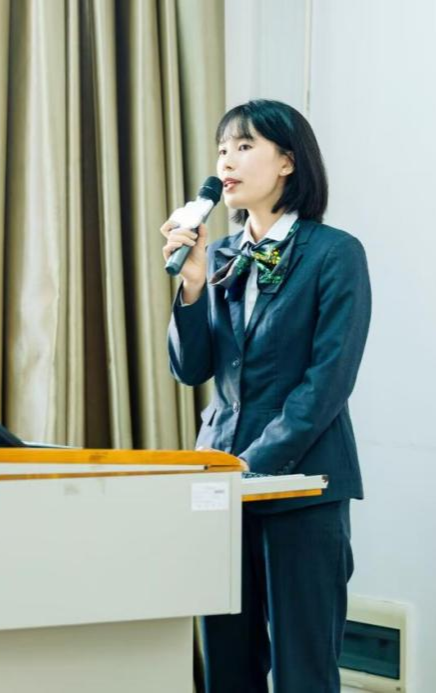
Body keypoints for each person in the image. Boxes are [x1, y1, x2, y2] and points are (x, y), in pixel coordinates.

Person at [161, 99, 372, 692]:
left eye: (245, 146)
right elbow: (191, 368)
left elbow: (327, 383)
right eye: (222, 149)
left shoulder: (335, 254)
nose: (226, 161)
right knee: (227, 669)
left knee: (303, 672)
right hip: (220, 487)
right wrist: (192, 285)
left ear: (287, 161)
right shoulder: (219, 255)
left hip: (301, 487)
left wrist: (251, 466)